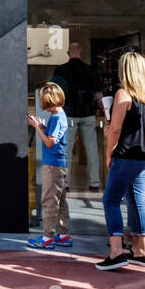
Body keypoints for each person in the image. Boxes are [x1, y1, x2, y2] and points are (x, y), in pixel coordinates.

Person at [95, 51, 145, 271]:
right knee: (138, 199)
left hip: (126, 156)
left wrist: (108, 153)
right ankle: (142, 252)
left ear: (125, 70)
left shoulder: (124, 94)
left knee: (110, 200)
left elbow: (115, 129)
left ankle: (116, 252)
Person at [52, 43, 104, 191]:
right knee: (91, 149)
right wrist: (103, 110)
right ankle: (94, 183)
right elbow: (99, 95)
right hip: (87, 114)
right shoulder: (90, 70)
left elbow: (54, 93)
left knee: (66, 149)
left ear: (68, 53)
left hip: (68, 114)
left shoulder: (60, 70)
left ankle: (65, 183)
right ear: (81, 52)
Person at [27, 82, 71, 249]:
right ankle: (64, 234)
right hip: (59, 164)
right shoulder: (60, 116)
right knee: (60, 201)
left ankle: (47, 238)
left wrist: (37, 127)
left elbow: (50, 142)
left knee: (49, 201)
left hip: (52, 165)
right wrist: (43, 126)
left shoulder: (56, 118)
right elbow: (54, 137)